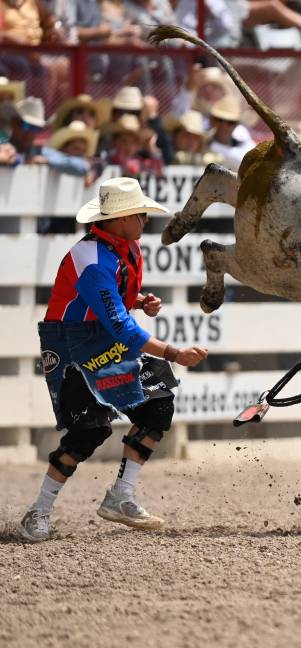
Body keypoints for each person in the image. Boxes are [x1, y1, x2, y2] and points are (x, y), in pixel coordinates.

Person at [18, 177, 209, 542]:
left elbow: (115, 304)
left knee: (157, 406)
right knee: (90, 428)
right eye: (140, 214)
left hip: (100, 337)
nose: (145, 221)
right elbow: (120, 325)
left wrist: (139, 301)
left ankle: (121, 495)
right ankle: (38, 511)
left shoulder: (123, 247)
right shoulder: (91, 259)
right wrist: (173, 353)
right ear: (121, 219)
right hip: (72, 345)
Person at [42, 119, 105, 186]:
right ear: (64, 146)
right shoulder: (50, 153)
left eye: (83, 150)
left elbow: (83, 166)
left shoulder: (83, 163)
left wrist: (48, 160)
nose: (80, 153)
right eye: (76, 148)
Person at [207, 95, 254, 171]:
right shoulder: (204, 143)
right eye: (220, 120)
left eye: (231, 122)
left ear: (236, 124)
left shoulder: (242, 137)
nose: (224, 126)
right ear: (212, 120)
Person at [0, 96, 46, 166]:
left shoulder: (40, 152)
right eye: (26, 125)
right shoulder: (2, 145)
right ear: (14, 123)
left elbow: (67, 162)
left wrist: (47, 160)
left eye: (36, 128)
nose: (30, 133)